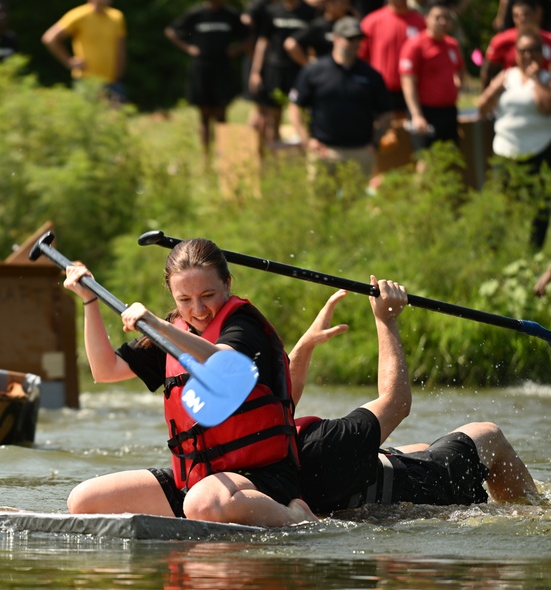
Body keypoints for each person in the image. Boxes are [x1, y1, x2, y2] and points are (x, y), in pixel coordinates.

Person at [61, 238, 318, 527]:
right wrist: (89, 300)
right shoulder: (175, 330)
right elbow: (105, 369)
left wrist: (160, 326)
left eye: (208, 295)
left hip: (262, 479)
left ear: (228, 284)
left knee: (201, 503)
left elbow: (223, 364)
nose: (198, 310)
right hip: (198, 479)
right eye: (184, 300)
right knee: (83, 501)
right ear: (172, 295)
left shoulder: (245, 327)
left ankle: (295, 517)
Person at [290, 287, 541, 514]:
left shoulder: (265, 449)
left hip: (354, 486)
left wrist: (306, 344)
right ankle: (533, 512)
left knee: (417, 446)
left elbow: (282, 399)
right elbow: (396, 402)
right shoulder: (324, 444)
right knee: (489, 434)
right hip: (421, 494)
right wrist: (386, 319)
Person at [288, 16, 393, 178]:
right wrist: (307, 140)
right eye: (350, 39)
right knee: (322, 203)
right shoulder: (315, 71)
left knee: (356, 203)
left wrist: (375, 142)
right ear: (335, 38)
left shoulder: (371, 75)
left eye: (359, 39)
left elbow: (386, 113)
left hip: (360, 151)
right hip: (325, 151)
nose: (356, 43)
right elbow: (295, 107)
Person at [478, 29, 551, 251]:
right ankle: (493, 250)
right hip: (505, 150)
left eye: (533, 50)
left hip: (538, 149)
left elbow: (547, 108)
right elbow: (482, 108)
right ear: (516, 53)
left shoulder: (547, 79)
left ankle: (533, 251)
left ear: (542, 53)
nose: (527, 55)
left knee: (539, 204)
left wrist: (536, 79)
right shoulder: (506, 76)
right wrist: (494, 90)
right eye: (523, 51)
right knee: (499, 203)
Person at [165, 0, 250, 166]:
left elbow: (248, 36)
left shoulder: (230, 15)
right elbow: (171, 31)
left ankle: (224, 156)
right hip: (201, 68)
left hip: (222, 67)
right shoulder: (195, 14)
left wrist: (236, 50)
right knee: (204, 115)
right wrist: (188, 48)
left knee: (221, 113)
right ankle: (206, 159)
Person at [399, 0, 464, 159]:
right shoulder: (415, 45)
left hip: (448, 111)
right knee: (426, 162)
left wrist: (457, 84)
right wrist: (417, 115)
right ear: (426, 18)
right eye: (438, 17)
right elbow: (407, 82)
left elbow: (460, 68)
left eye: (446, 18)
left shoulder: (452, 44)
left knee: (449, 158)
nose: (443, 22)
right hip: (426, 111)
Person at [248, 0, 318, 145]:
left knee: (304, 115)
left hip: (300, 70)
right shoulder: (272, 11)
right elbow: (263, 42)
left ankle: (304, 155)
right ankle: (273, 159)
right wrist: (255, 71)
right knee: (272, 116)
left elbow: (314, 42)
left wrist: (313, 67)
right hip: (275, 69)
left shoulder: (310, 12)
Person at [42, 0, 127, 103]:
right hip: (87, 80)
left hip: (112, 81)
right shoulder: (79, 15)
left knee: (117, 118)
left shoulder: (117, 17)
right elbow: (49, 38)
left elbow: (120, 48)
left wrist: (118, 75)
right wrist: (69, 61)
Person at [358, 0, 426, 114]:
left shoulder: (421, 22)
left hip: (416, 91)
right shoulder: (371, 21)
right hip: (381, 91)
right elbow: (361, 57)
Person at [482, 0, 551, 88]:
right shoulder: (501, 40)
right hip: (512, 94)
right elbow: (487, 72)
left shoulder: (548, 39)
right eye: (516, 16)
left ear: (537, 13)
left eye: (526, 14)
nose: (521, 19)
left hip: (543, 94)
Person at [285, 0, 355, 66]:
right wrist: (308, 65)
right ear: (329, 3)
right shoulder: (319, 25)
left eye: (347, 3)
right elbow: (290, 43)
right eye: (342, 3)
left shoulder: (349, 23)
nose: (345, 6)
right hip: (325, 72)